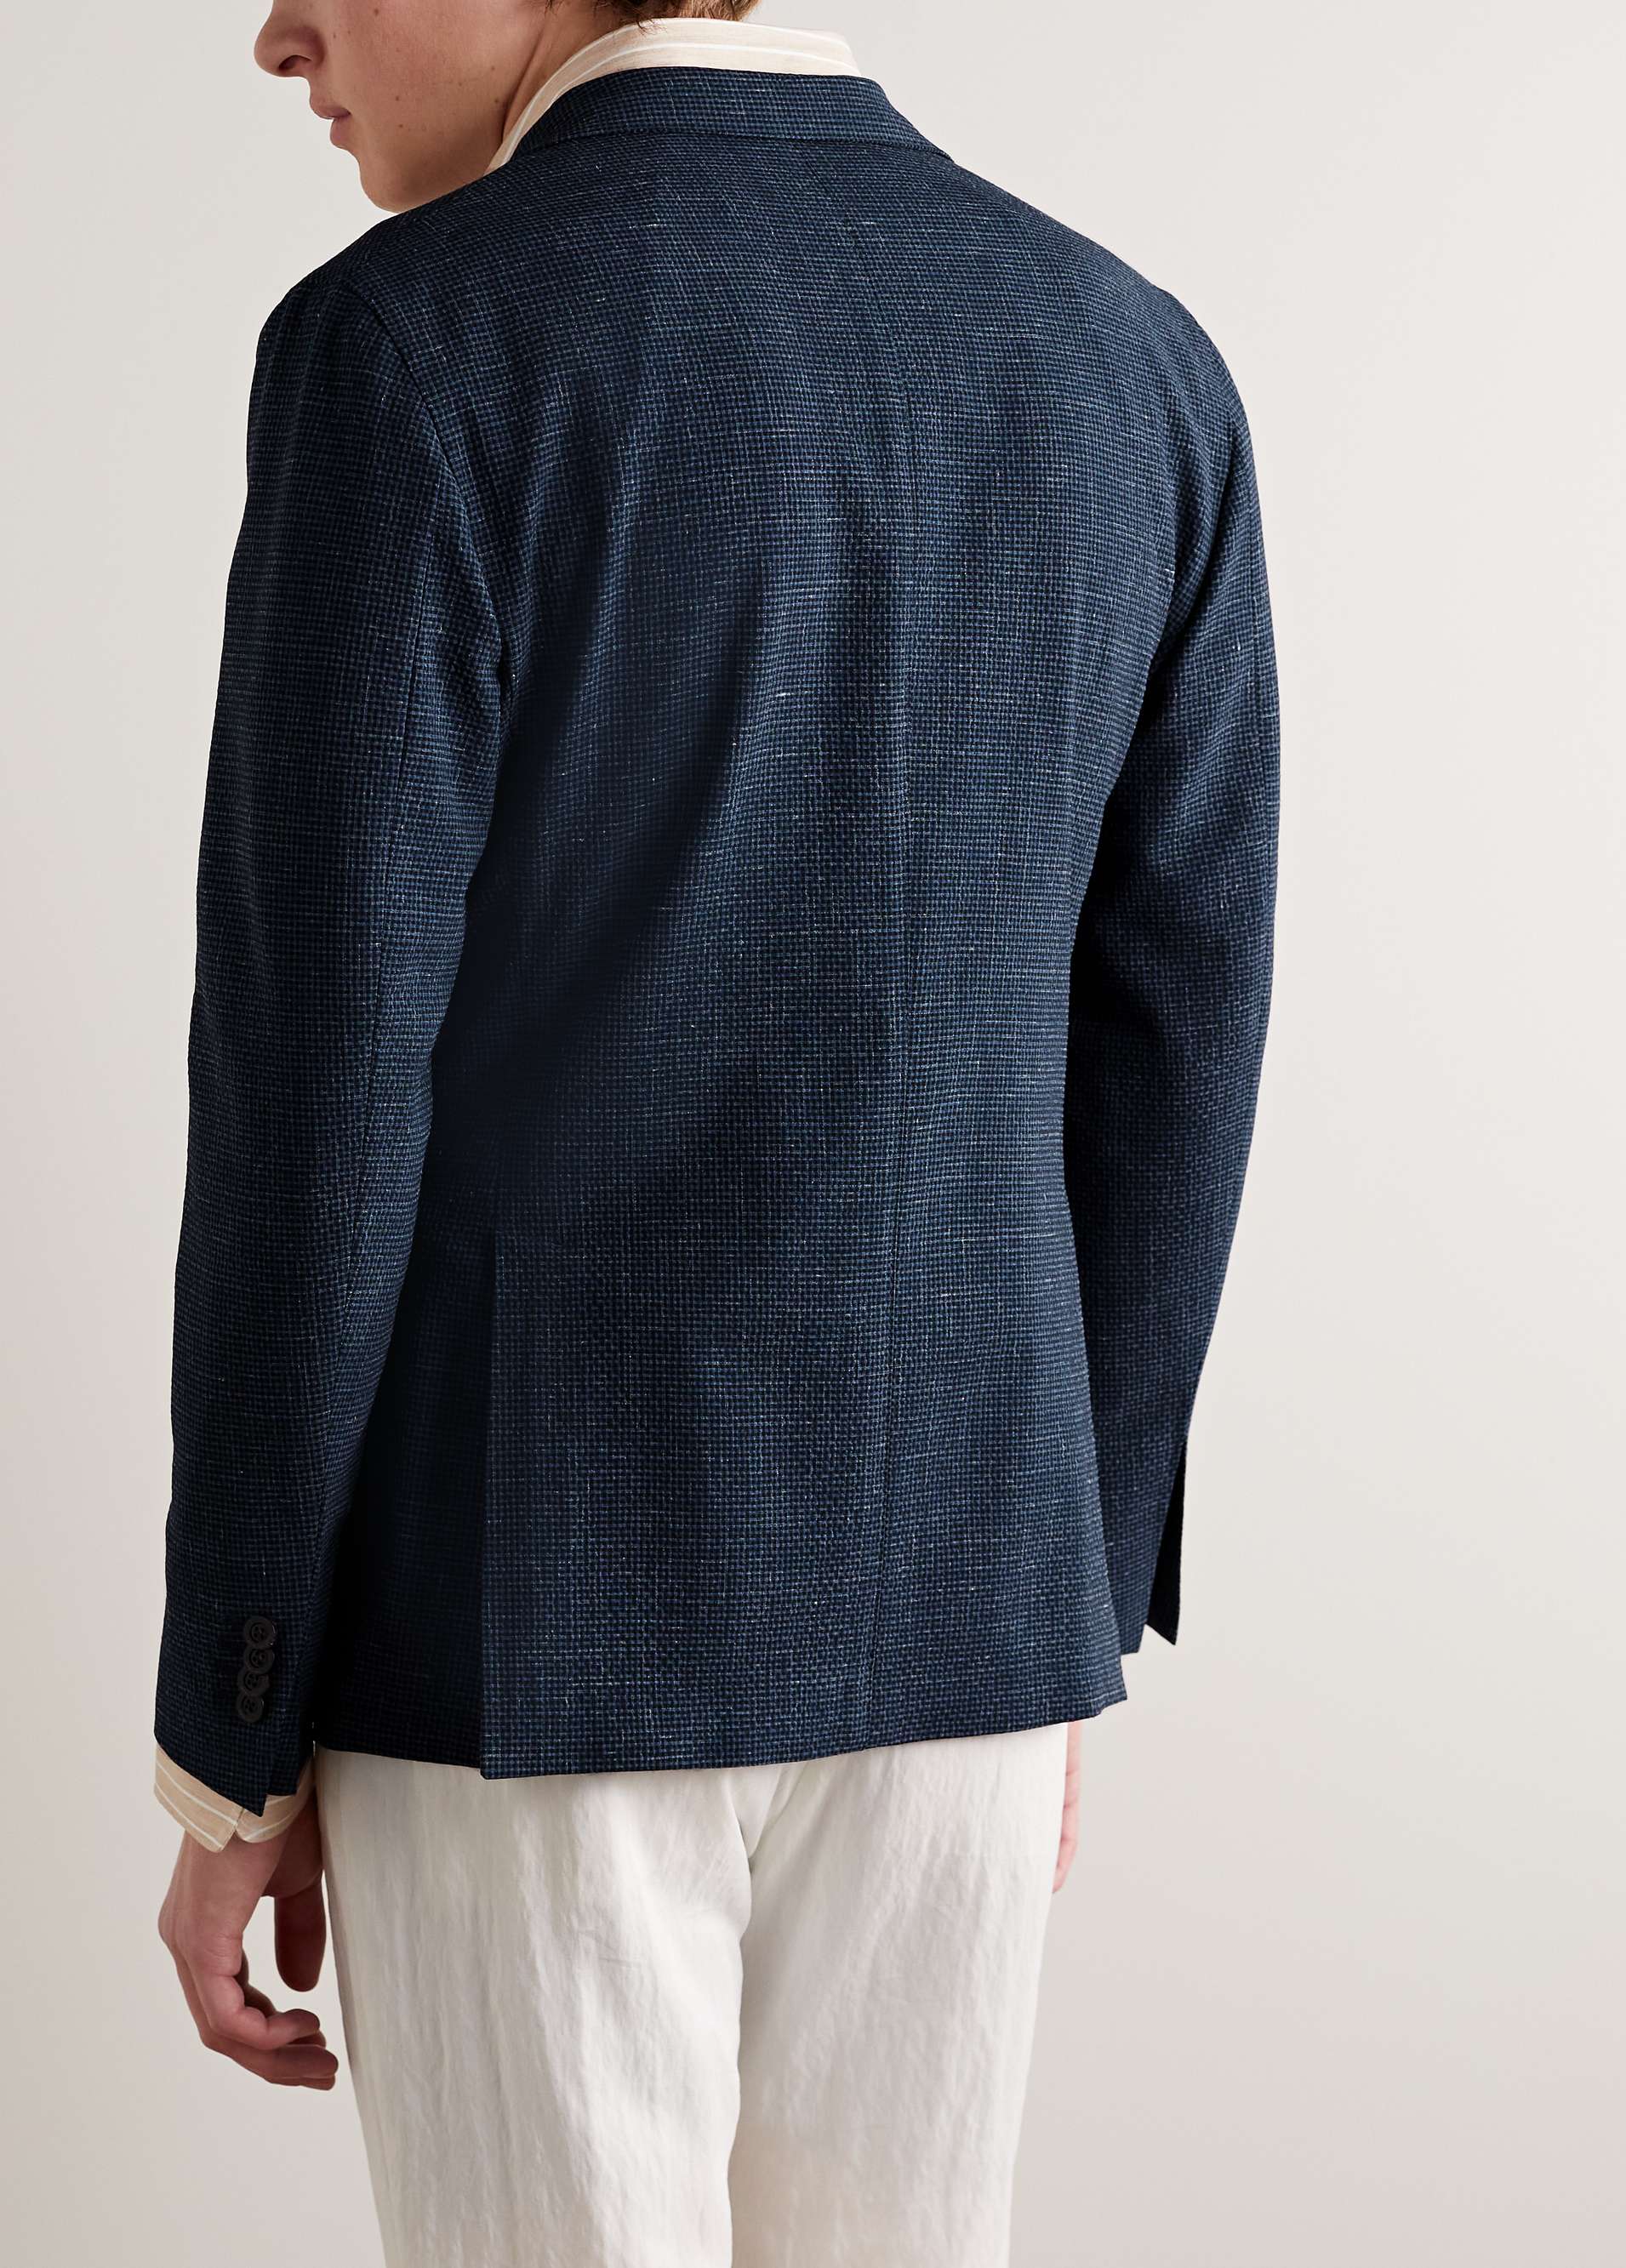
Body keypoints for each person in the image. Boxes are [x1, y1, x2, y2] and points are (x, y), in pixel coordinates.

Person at [152, 3, 1280, 2262]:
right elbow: (1180, 1035)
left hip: (518, 1617)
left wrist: (231, 1730)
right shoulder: (1130, 358)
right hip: (964, 1600)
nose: (275, 34)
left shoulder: (410, 348)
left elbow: (316, 1091)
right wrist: (1053, 1604)